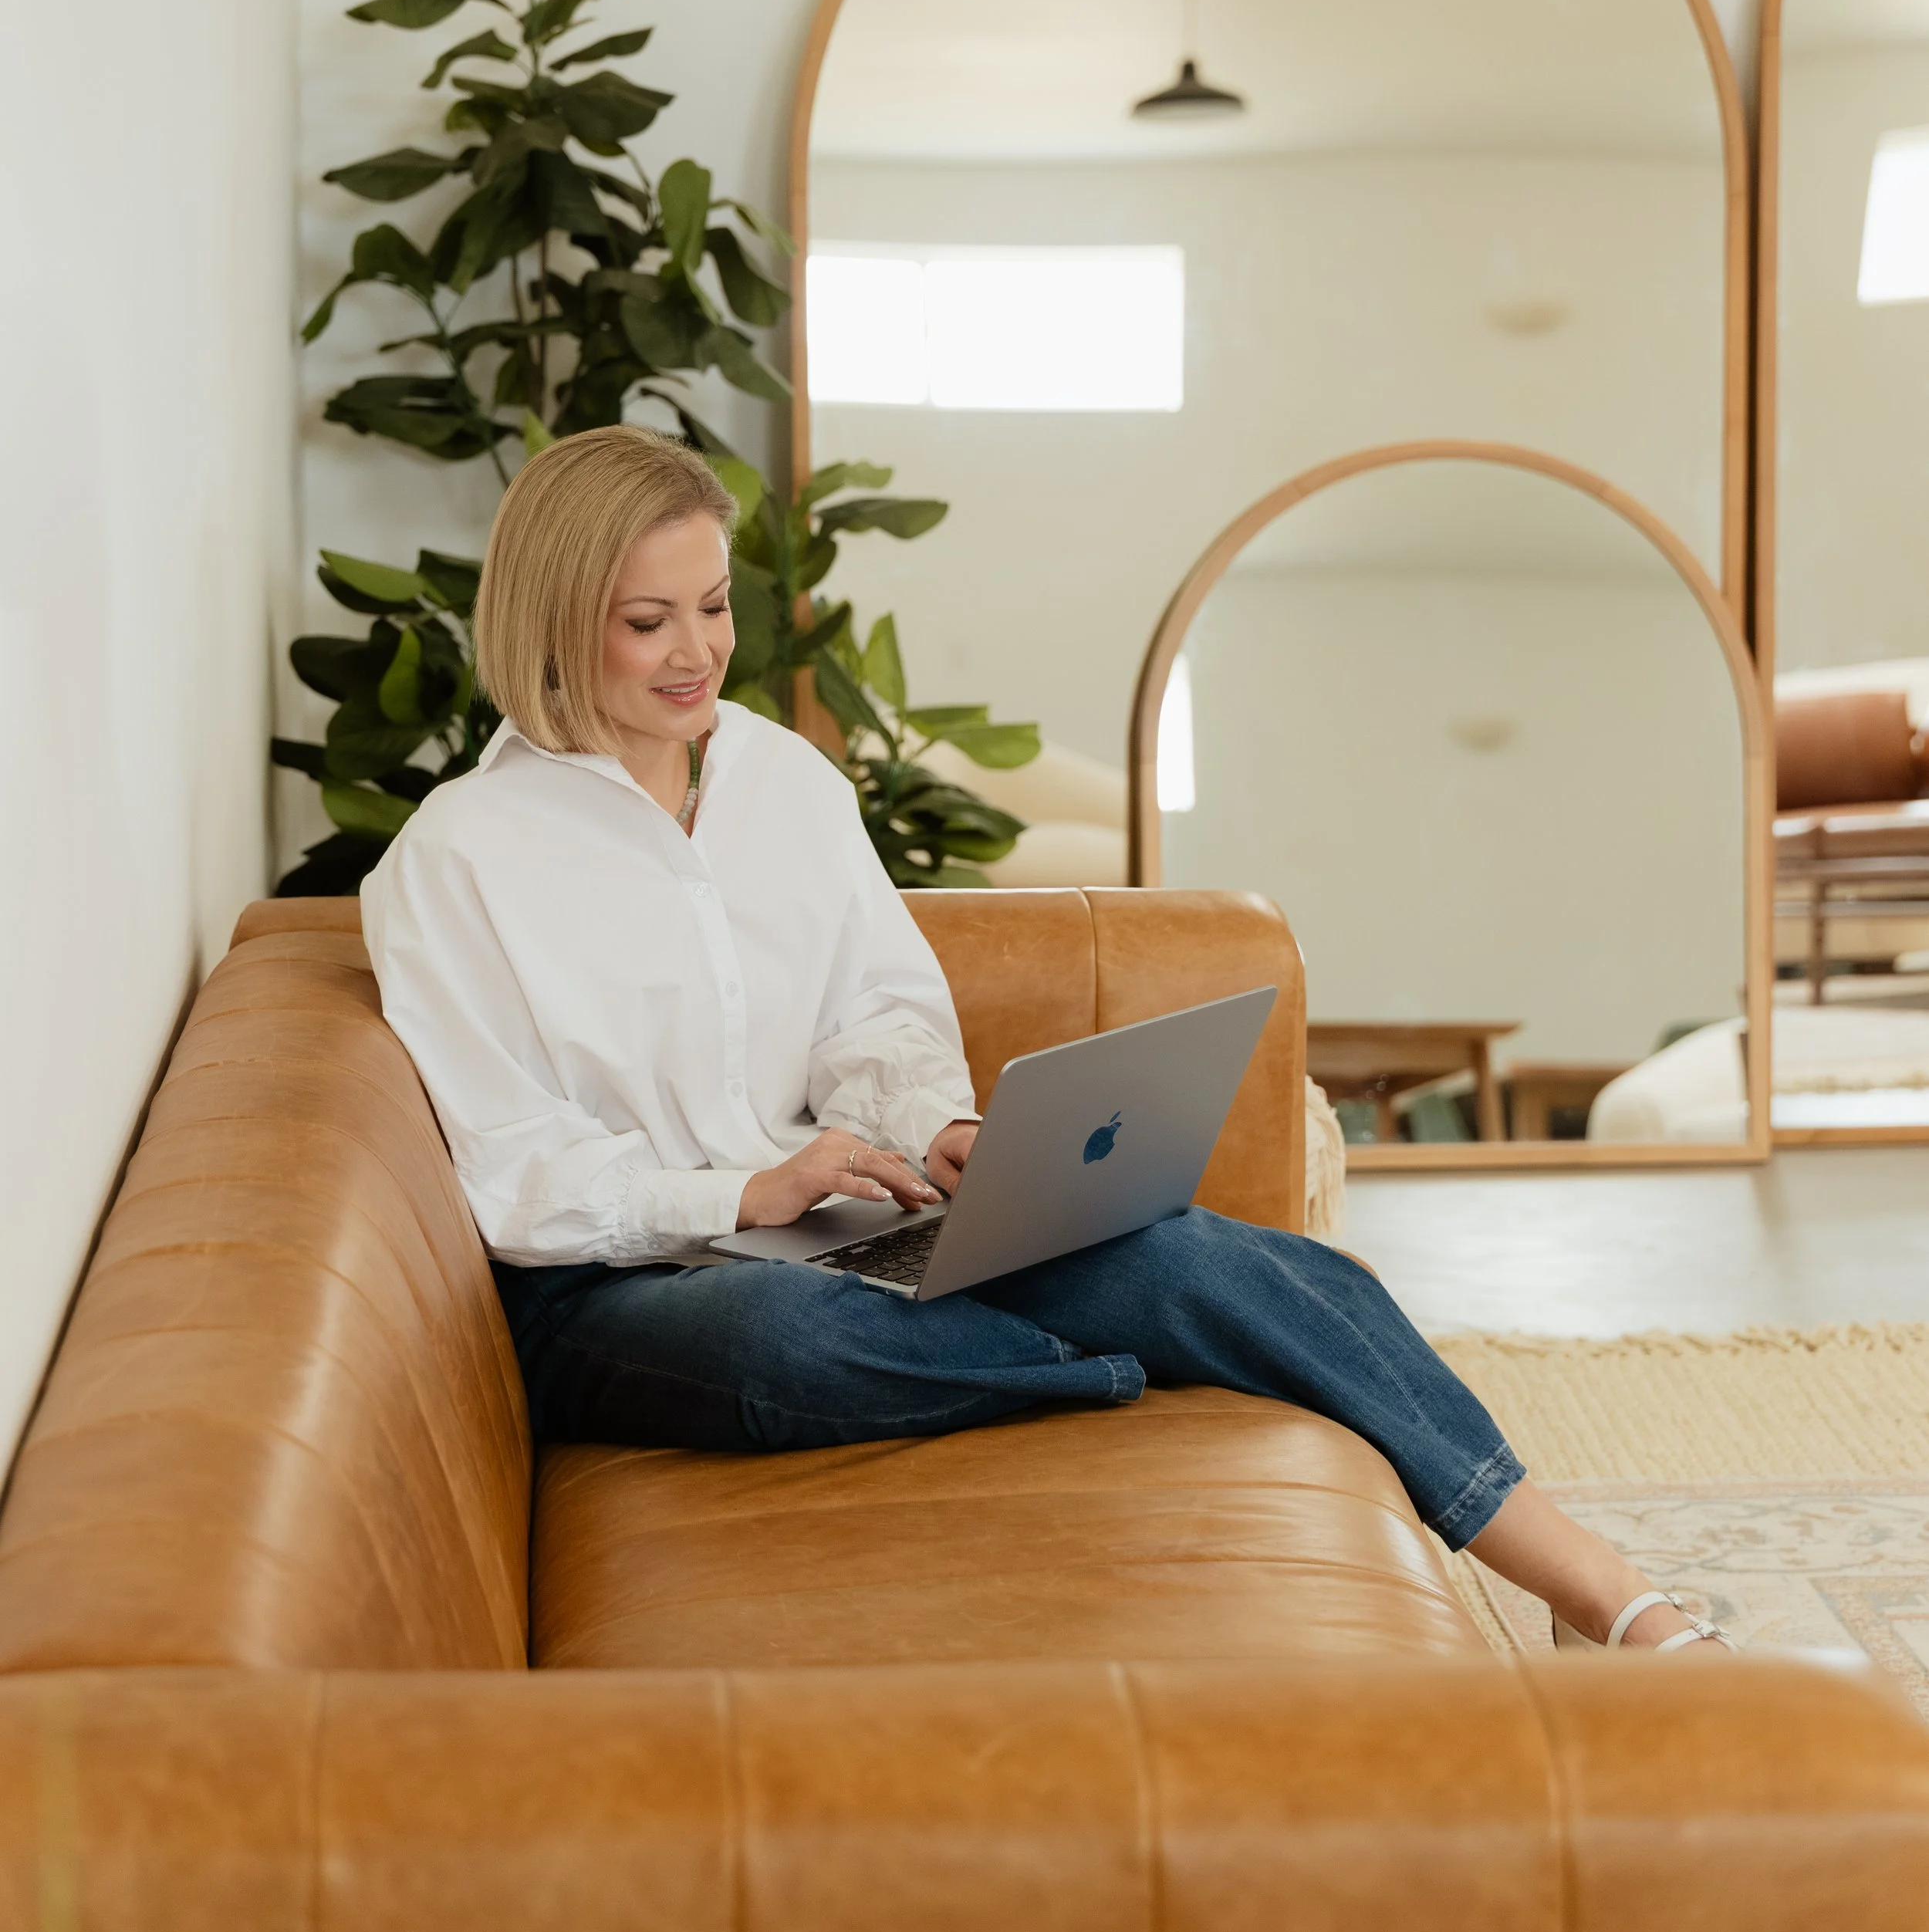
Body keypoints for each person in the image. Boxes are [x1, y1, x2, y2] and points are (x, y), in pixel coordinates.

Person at [363, 426, 1731, 1657]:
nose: (697, 653)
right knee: (791, 1340)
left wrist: (942, 1133)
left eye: (714, 607)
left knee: (1193, 1255)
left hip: (836, 1224)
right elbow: (513, 1171)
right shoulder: (457, 863)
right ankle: (1127, 1363)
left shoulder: (784, 780)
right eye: (646, 621)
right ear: (552, 623)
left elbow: (871, 1014)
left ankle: (1608, 1599)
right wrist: (736, 1193)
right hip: (627, 1290)